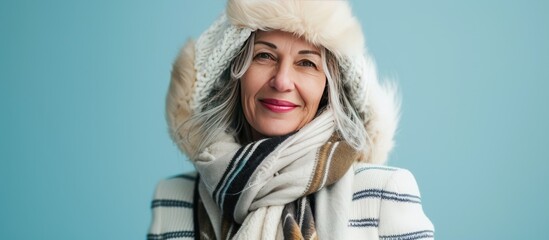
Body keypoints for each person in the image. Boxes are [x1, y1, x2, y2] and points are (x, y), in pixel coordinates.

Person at [148, 0, 434, 239]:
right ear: (234, 74)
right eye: (264, 56)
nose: (282, 81)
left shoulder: (384, 194)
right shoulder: (175, 197)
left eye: (307, 63)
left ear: (328, 88)